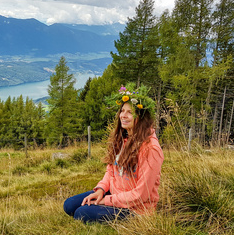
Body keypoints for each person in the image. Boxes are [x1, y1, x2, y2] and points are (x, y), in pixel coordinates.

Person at [63, 84, 164, 223]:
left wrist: (107, 201)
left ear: (141, 116)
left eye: (130, 112)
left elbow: (141, 194)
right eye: (122, 110)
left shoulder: (151, 149)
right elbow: (111, 170)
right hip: (115, 194)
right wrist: (100, 190)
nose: (123, 115)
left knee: (81, 213)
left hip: (135, 208)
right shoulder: (123, 138)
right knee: (69, 205)